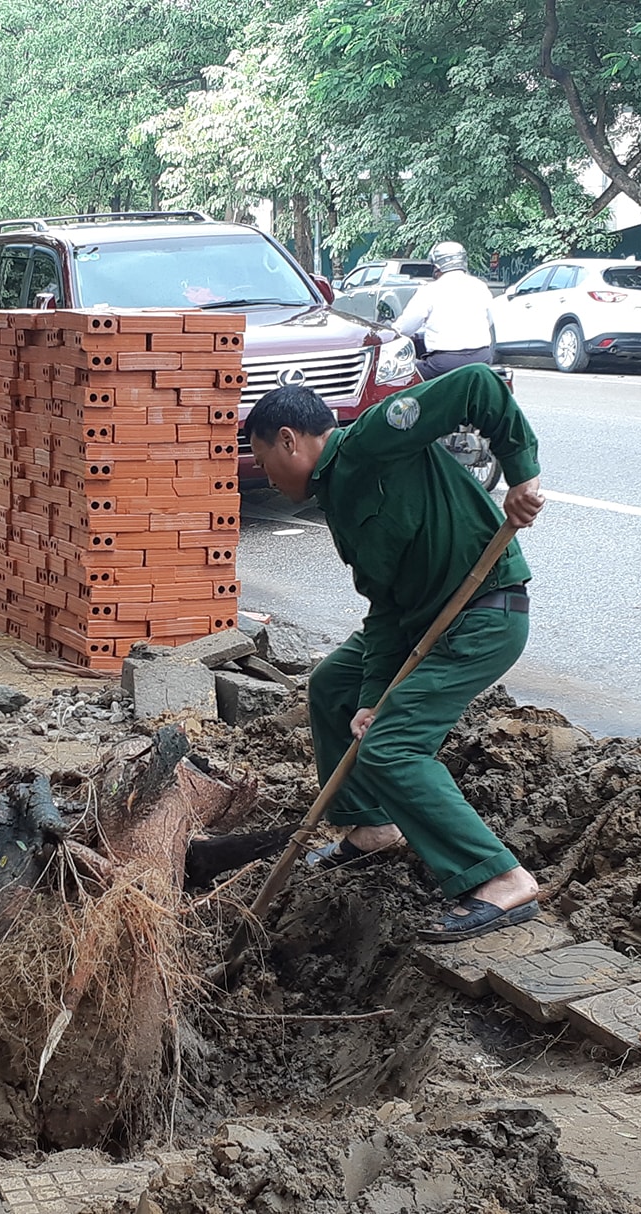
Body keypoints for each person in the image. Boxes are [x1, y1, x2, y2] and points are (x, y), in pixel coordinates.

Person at [234, 366, 547, 942]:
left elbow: (477, 384)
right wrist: (372, 696)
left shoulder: (377, 437)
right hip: (414, 624)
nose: (266, 476)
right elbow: (383, 607)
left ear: (289, 440)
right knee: (332, 685)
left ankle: (501, 879)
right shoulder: (340, 503)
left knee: (391, 748)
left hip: (482, 615)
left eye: (263, 459)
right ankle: (371, 829)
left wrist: (522, 477)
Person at [393, 241, 496, 379]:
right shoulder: (480, 286)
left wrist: (392, 330)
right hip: (482, 359)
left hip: (444, 364)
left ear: (436, 267)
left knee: (403, 378)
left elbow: (406, 327)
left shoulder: (429, 290)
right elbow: (489, 320)